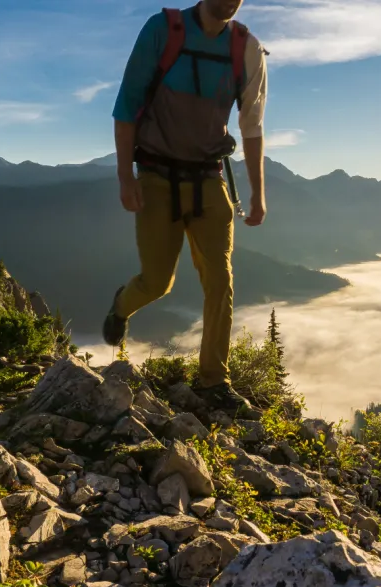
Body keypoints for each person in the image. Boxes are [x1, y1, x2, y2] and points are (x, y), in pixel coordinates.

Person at [104, 0, 267, 414]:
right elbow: (127, 105)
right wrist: (126, 176)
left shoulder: (246, 49)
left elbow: (252, 126)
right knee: (159, 282)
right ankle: (122, 304)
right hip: (157, 175)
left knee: (220, 278)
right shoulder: (164, 30)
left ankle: (213, 381)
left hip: (209, 178)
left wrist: (258, 193)